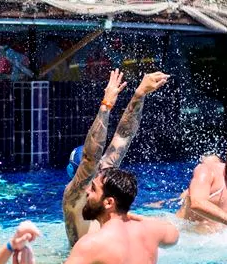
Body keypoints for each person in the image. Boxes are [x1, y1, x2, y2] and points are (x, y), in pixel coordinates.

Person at [63, 69, 169, 247]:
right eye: (94, 170)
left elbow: (123, 136)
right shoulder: (73, 200)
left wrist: (140, 94)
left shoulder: (102, 183)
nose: (99, 172)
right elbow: (90, 160)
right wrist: (105, 106)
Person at [56, 168, 179, 264]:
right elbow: (174, 234)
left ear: (109, 202)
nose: (87, 191)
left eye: (93, 189)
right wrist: (130, 215)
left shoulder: (92, 243)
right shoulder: (151, 231)